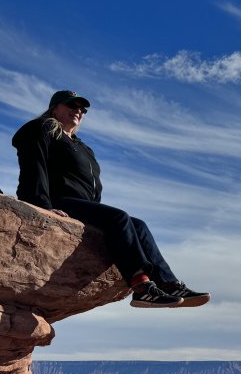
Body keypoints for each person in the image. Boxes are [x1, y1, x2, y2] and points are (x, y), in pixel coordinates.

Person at [12, 90, 209, 309]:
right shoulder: (42, 129)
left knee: (139, 226)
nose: (78, 111)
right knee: (119, 217)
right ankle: (141, 286)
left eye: (82, 109)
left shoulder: (82, 146)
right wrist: (42, 205)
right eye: (72, 105)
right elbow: (33, 166)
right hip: (59, 200)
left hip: (83, 205)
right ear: (55, 107)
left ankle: (169, 284)